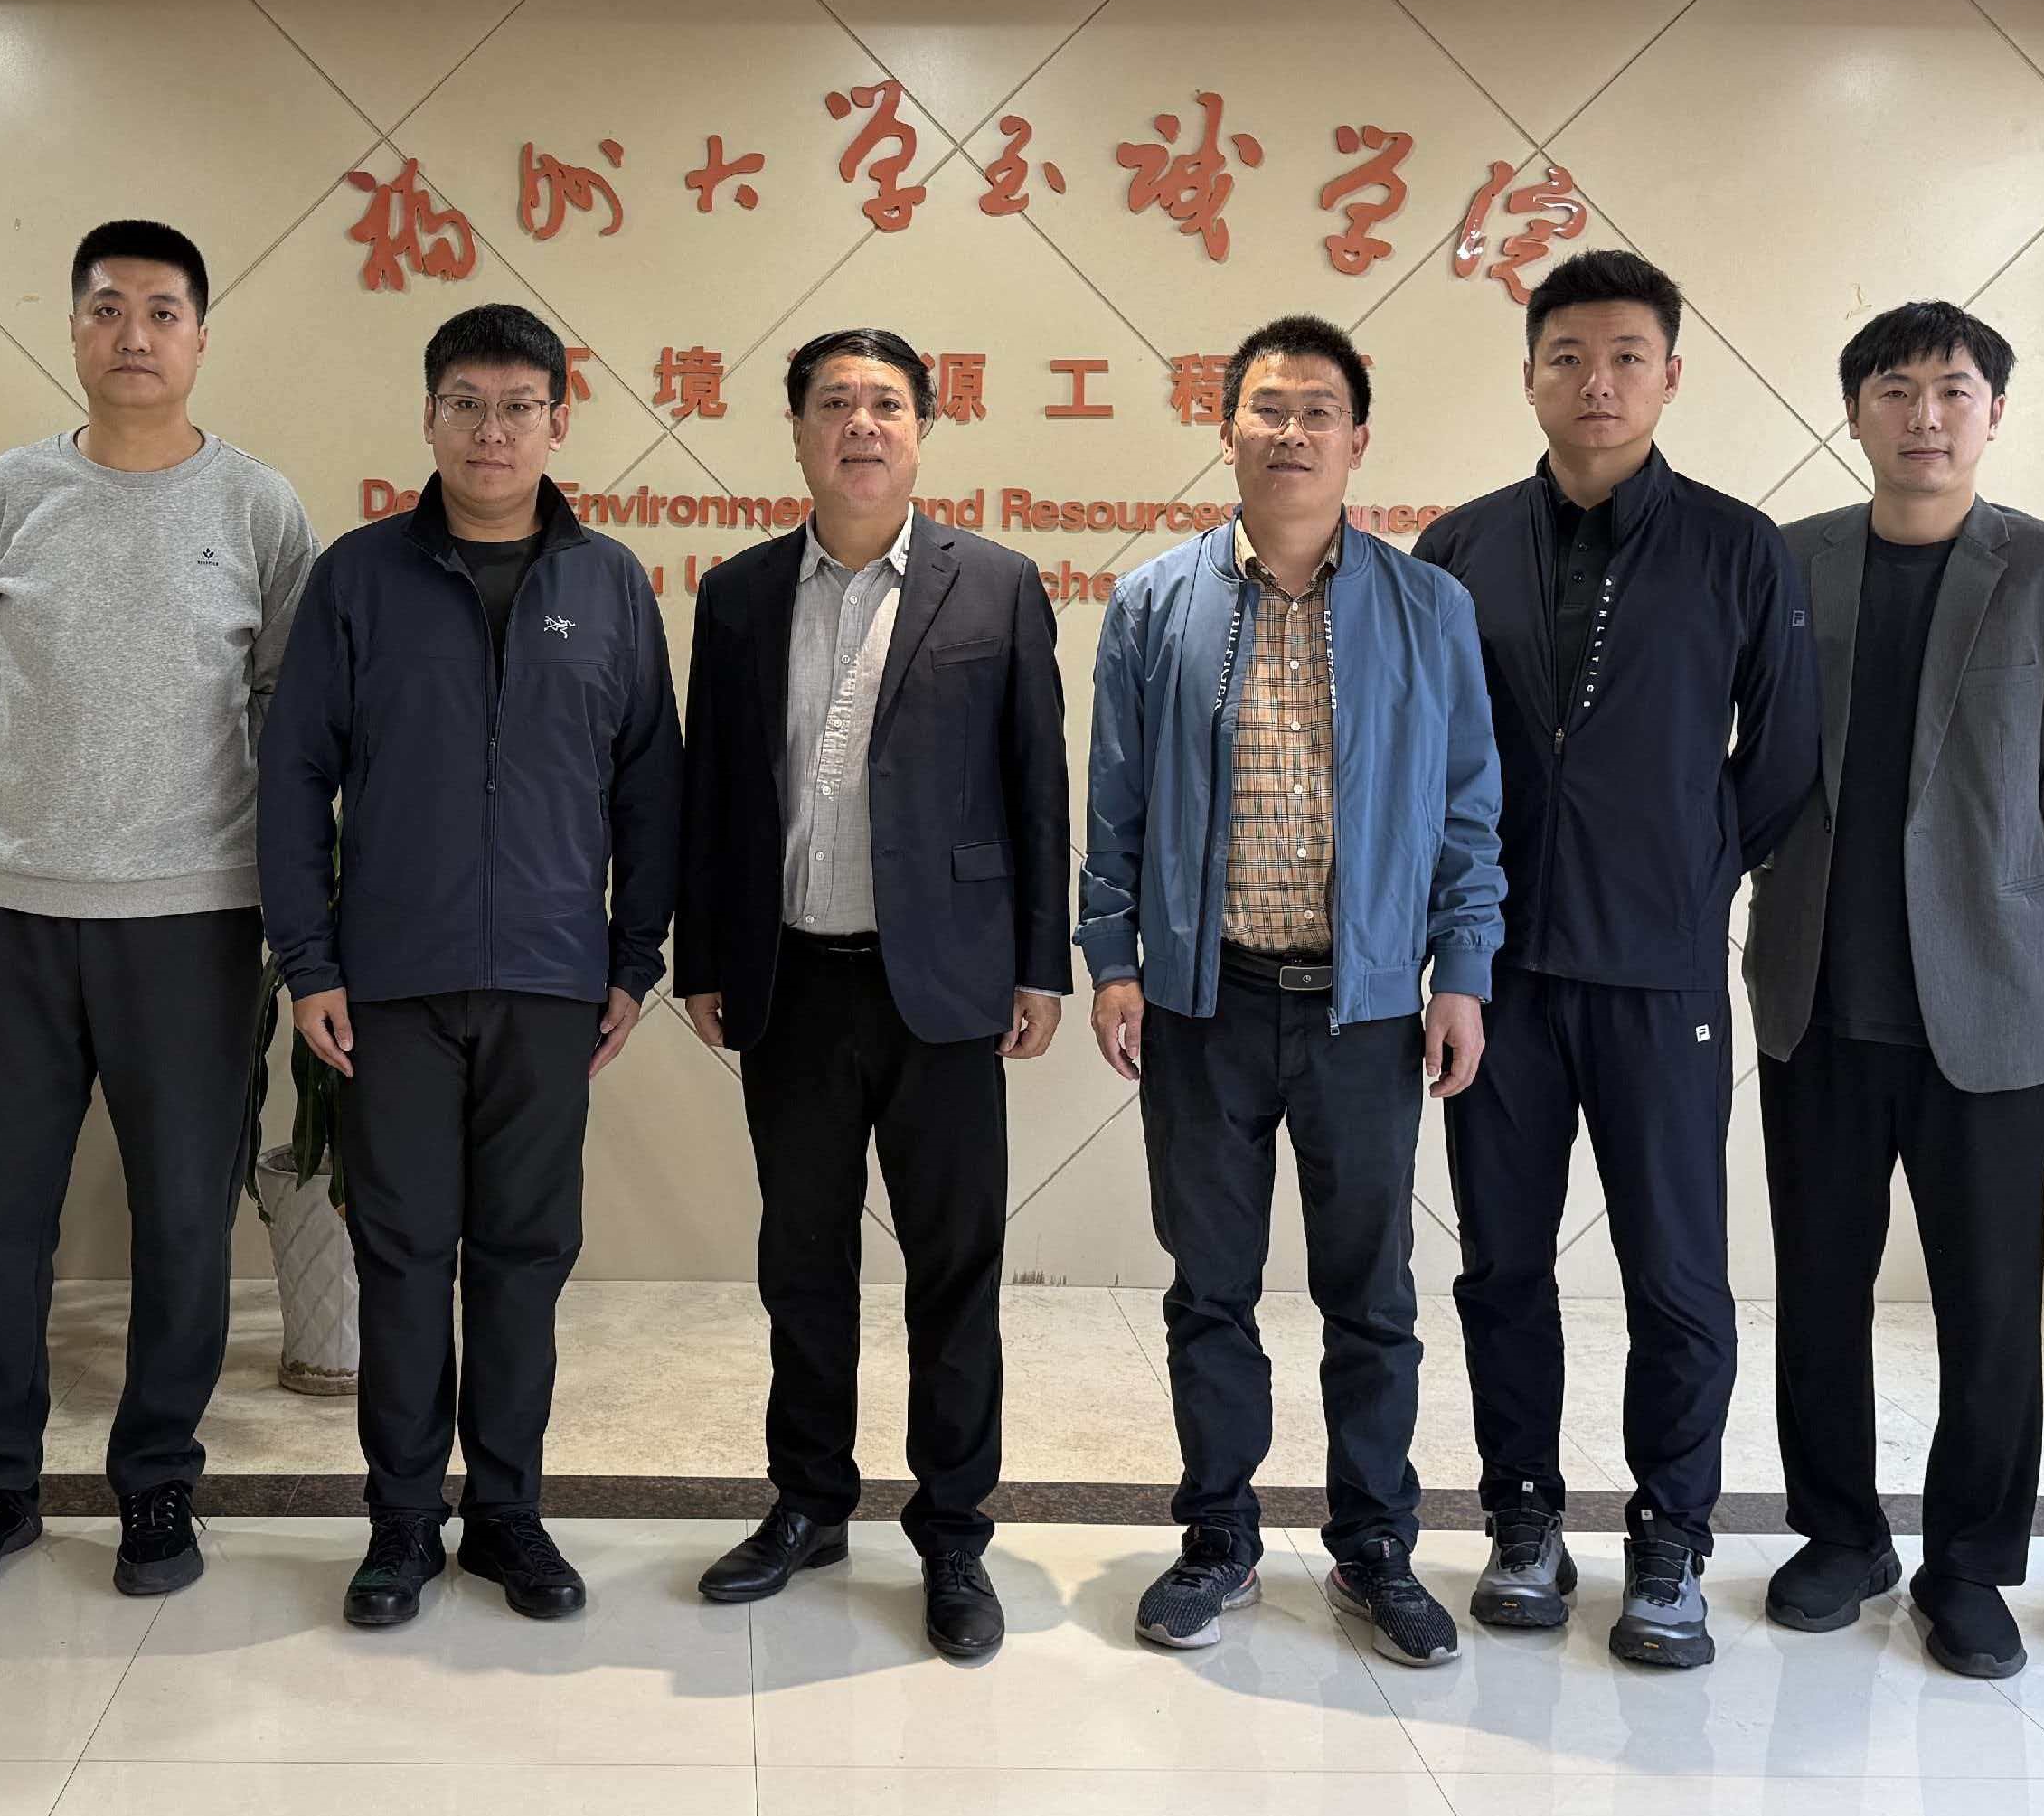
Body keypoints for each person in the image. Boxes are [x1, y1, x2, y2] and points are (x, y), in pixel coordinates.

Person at [1415, 249, 1818, 1670]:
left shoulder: (1737, 549)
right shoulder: (1458, 549)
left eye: (1627, 357)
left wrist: (1690, 872)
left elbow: (1783, 758)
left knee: (1678, 1275)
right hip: (1497, 977)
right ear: (1529, 375)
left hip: (1662, 977)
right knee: (1501, 1267)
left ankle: (1671, 1533)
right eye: (1569, 356)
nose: (1597, 382)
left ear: (1670, 376)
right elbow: (1421, 757)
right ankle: (1522, 1516)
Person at [1082, 315, 1503, 1662]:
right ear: (1228, 429)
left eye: (1319, 410)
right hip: (1204, 1005)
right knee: (1210, 1289)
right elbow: (1117, 809)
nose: (1292, 432)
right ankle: (1218, 1538)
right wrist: (1113, 961)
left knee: (1371, 1298)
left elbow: (1468, 813)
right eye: (1268, 408)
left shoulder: (1426, 608)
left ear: (1357, 439)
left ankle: (1376, 1546)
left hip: (1363, 1011)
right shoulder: (1156, 604)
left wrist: (1461, 974)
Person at [0, 220, 316, 1606]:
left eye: (161, 311)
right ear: (74, 328)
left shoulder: (258, 509)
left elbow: (285, 713)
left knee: (184, 1218)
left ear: (201, 336)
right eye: (106, 309)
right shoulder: (5, 495)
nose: (133, 334)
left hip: (193, 918)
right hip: (13, 910)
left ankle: (157, 1482)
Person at [261, 302, 681, 1631]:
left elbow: (649, 788)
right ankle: (400, 1523)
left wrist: (634, 959)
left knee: (523, 1255)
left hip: (553, 983)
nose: (491, 432)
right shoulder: (359, 578)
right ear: (430, 417)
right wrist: (309, 961)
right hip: (390, 981)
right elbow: (294, 775)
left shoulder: (609, 585)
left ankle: (507, 1514)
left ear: (558, 421)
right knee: (399, 1252)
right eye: (466, 405)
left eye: (517, 407)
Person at [1743, 306, 2044, 1679]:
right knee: (1818, 1291)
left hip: (1990, 1006)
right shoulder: (1789, 564)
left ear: (1994, 412)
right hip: (1813, 995)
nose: (1925, 415)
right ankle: (1839, 1534)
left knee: (1988, 1307)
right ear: (1854, 411)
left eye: (1953, 391)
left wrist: (2027, 932)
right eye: (1894, 390)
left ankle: (1968, 1566)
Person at [676, 328, 1068, 1663]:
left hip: (945, 989)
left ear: (921, 430)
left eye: (885, 404)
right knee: (803, 1263)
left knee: (954, 1272)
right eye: (834, 402)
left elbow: (1036, 784)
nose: (860, 423)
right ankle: (808, 1503)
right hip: (790, 978)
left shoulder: (996, 584)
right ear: (796, 429)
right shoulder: (736, 595)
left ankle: (954, 1534)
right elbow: (712, 795)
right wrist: (702, 956)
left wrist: (1040, 961)